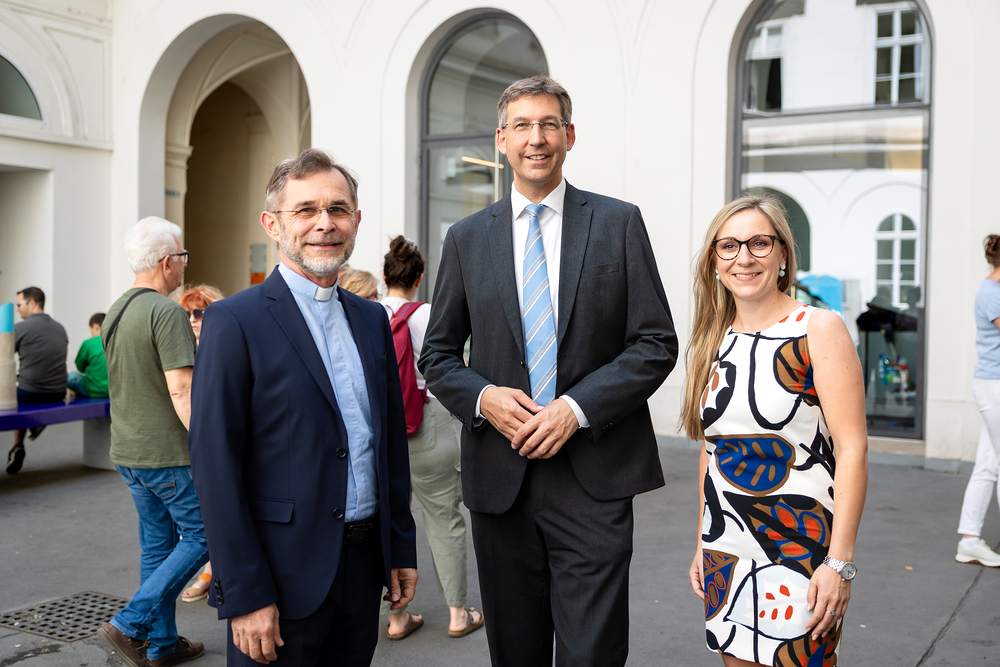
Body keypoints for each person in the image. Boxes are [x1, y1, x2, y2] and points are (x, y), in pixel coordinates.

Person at [419, 75, 678, 667]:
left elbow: (655, 342)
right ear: (501, 140)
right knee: (516, 653)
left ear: (569, 135)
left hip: (594, 476)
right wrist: (484, 398)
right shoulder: (466, 239)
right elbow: (437, 356)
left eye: (548, 125)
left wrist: (575, 409)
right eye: (522, 126)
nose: (536, 138)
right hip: (500, 479)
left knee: (593, 653)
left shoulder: (617, 222)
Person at [189, 148, 418, 666]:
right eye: (306, 210)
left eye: (338, 209)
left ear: (356, 220)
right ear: (272, 224)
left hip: (363, 570)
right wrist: (245, 592)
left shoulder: (371, 320)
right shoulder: (234, 322)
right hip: (277, 580)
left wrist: (399, 546)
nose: (324, 223)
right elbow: (214, 466)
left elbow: (387, 447)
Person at [682, 193, 869, 667]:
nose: (743, 258)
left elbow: (852, 449)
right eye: (729, 246)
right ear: (715, 260)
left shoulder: (818, 329)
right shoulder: (713, 337)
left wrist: (839, 563)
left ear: (783, 253)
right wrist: (703, 541)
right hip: (727, 546)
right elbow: (712, 450)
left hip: (800, 546)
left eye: (759, 243)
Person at [97, 217, 208, 667]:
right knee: (204, 535)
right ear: (166, 262)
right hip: (166, 454)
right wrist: (208, 444)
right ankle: (130, 624)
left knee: (159, 547)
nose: (184, 265)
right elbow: (182, 389)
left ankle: (161, 645)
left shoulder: (116, 309)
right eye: (182, 257)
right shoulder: (166, 311)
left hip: (128, 451)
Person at [379, 236, 483, 641]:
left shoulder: (369, 313)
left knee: (387, 519)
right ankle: (458, 614)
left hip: (384, 428)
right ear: (419, 278)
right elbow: (450, 367)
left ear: (384, 274)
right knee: (444, 520)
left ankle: (397, 617)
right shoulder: (427, 314)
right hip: (430, 422)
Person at [173, 284, 225, 604]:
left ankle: (212, 572)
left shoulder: (224, 345)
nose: (193, 319)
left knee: (215, 513)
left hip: (218, 441)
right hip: (185, 444)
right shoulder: (180, 348)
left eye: (200, 311)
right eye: (187, 313)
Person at [954, 234, 1000, 568]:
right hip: (994, 385)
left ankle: (969, 540)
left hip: (994, 384)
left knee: (988, 463)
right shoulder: (990, 293)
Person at [6, 286, 68, 475]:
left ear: (31, 303)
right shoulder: (60, 328)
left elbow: (3, 356)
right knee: (25, 384)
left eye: (19, 304)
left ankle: (18, 444)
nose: (17, 309)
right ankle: (34, 425)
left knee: (15, 392)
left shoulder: (21, 328)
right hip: (58, 393)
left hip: (29, 394)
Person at [67, 313, 109, 398]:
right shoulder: (116, 342)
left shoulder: (89, 343)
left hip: (93, 389)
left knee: (69, 374)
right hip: (112, 390)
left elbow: (80, 368)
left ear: (95, 327)